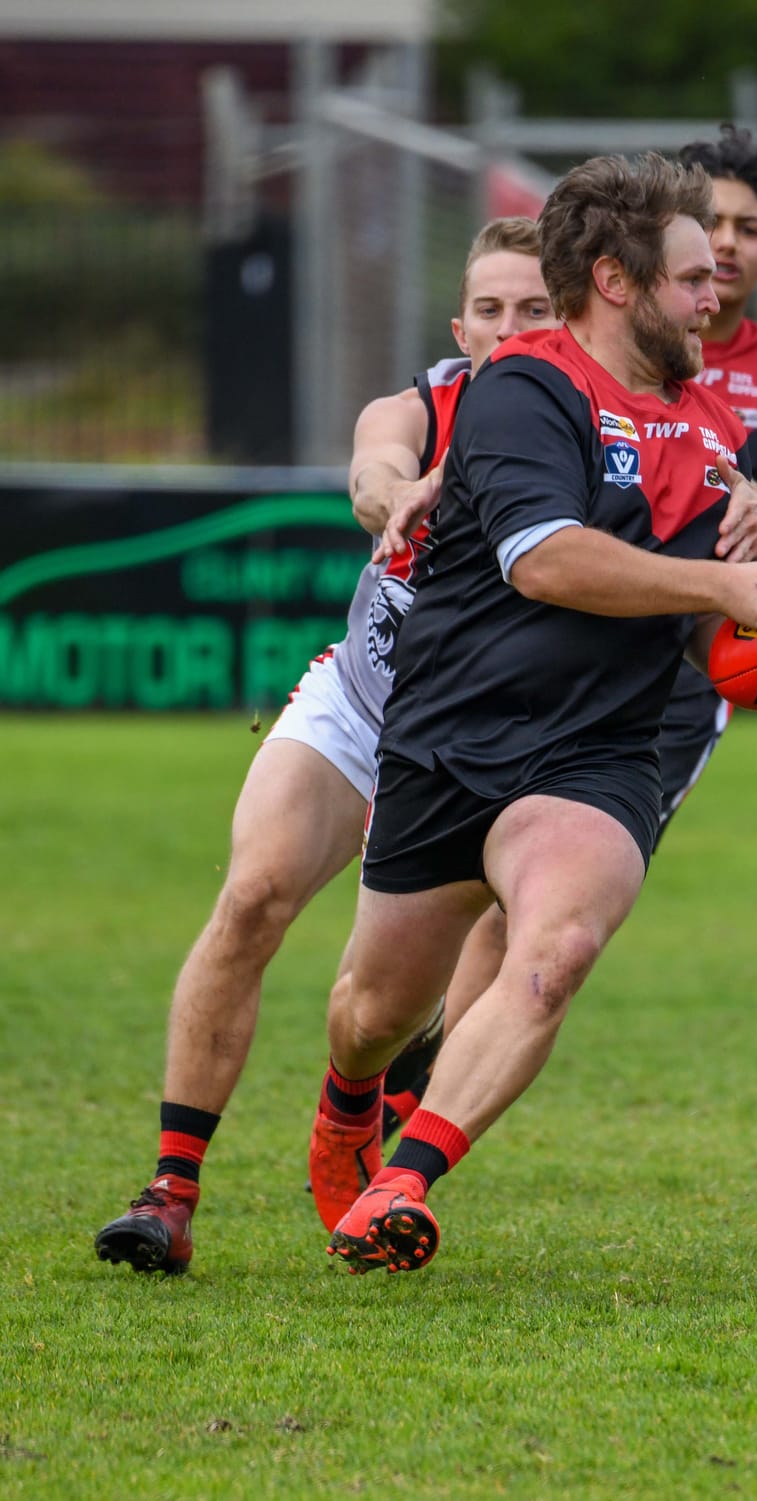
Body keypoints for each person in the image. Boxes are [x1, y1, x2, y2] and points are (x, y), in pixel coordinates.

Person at [314, 151, 757, 1278]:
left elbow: (733, 578)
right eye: (693, 278)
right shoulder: (527, 383)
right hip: (450, 737)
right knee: (372, 1008)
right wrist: (727, 587)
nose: (718, 299)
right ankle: (348, 1104)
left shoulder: (709, 418)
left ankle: (406, 1180)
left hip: (600, 750)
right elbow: (542, 559)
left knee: (555, 947)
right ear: (616, 280)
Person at [93, 218, 560, 1276]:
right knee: (252, 897)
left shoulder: (598, 426)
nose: (508, 327)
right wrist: (391, 493)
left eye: (534, 307)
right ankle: (168, 1192)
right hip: (359, 705)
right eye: (489, 308)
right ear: (459, 323)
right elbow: (372, 462)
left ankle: (356, 1097)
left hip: (485, 748)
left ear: (573, 315)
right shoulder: (425, 402)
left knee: (377, 1009)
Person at [647, 124, 757, 837]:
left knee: (585, 883)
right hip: (589, 633)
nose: (726, 242)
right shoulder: (619, 348)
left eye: (748, 228)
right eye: (710, 222)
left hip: (691, 667)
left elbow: (750, 525)